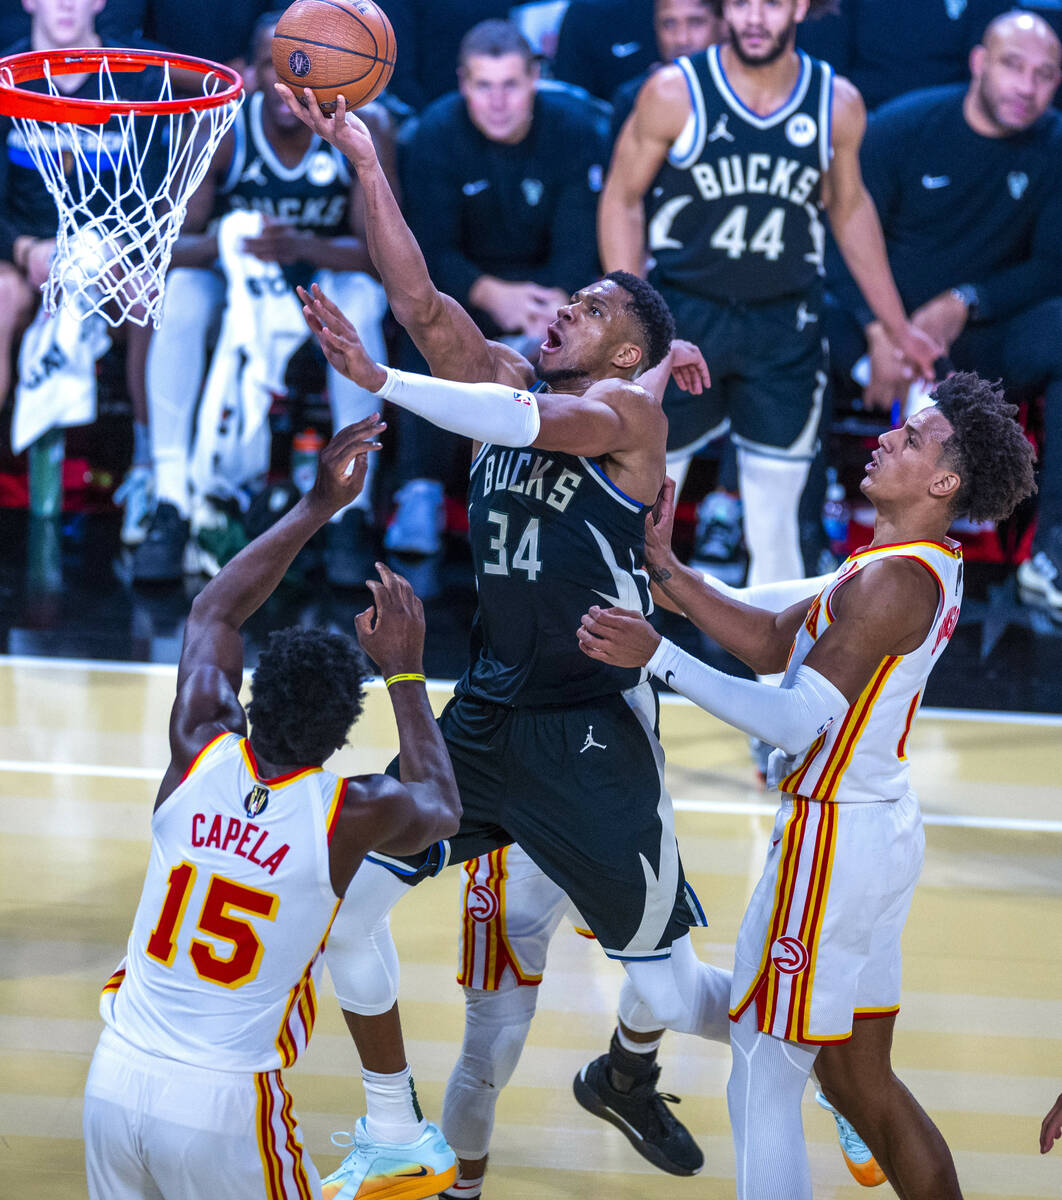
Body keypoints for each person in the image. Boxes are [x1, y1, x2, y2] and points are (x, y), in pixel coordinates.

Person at [274, 83, 735, 1200]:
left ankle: (823, 1057)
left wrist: (383, 381)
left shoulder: (632, 418)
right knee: (341, 909)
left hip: (593, 739)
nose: (557, 311)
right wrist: (370, 160)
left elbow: (529, 423)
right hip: (483, 716)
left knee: (670, 996)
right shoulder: (506, 377)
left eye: (584, 306)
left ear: (632, 343)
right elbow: (419, 293)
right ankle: (397, 1128)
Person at [575, 371, 1037, 1198]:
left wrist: (661, 657)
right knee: (863, 1087)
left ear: (943, 482)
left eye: (913, 437)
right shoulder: (905, 562)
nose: (888, 438)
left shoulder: (891, 582)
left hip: (834, 840)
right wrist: (667, 571)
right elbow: (766, 642)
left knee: (762, 1064)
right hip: (877, 828)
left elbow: (792, 722)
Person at [81, 414, 464, 1199]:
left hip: (114, 1075)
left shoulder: (198, 750)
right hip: (224, 1102)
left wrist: (316, 503)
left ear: (248, 704)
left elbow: (214, 614)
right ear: (340, 735)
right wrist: (405, 672)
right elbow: (442, 805)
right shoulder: (349, 811)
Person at [598, 0, 940, 589]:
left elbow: (851, 211)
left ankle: (769, 675)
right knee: (636, 502)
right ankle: (610, 666)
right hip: (685, 319)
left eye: (772, 2)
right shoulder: (675, 91)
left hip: (785, 325)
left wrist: (895, 323)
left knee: (776, 521)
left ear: (801, 6)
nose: (755, 16)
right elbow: (620, 198)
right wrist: (635, 320)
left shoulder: (837, 102)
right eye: (740, 2)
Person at [132, 10, 395, 586]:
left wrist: (301, 244)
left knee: (361, 300)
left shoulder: (365, 128)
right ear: (250, 71)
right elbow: (169, 242)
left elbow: (385, 258)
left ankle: (353, 510)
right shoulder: (222, 127)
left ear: (335, 72)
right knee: (178, 296)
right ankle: (171, 500)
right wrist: (237, 241)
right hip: (239, 298)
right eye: (273, 66)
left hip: (320, 295)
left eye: (306, 72)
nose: (289, 88)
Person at [822, 10, 1062, 619]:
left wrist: (966, 300)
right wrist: (881, 328)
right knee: (793, 308)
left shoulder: (1055, 146)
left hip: (979, 344)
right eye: (1013, 66)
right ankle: (796, 520)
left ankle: (1051, 552)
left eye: (1045, 74)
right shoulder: (902, 127)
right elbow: (832, 237)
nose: (1026, 87)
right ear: (980, 62)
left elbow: (1052, 264)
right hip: (871, 328)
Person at [387, 19, 609, 571]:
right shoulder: (433, 136)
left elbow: (584, 241)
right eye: (484, 85)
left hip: (552, 292)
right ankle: (420, 490)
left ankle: (569, 511)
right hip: (463, 289)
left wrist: (558, 307)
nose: (498, 101)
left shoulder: (577, 131)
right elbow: (427, 250)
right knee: (419, 325)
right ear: (463, 82)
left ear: (536, 77)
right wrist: (491, 294)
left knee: (586, 342)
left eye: (511, 84)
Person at [1, 0, 157, 543]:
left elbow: (159, 195)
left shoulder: (137, 84)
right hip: (26, 253)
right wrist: (22, 249)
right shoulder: (5, 77)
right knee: (0, 299)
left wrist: (126, 251)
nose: (67, 2)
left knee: (150, 298)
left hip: (112, 248)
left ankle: (149, 471)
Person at [609, 0, 725, 140]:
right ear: (655, 28)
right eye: (669, 24)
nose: (682, 39)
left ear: (723, 25)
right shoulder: (632, 100)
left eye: (695, 22)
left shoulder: (748, 91)